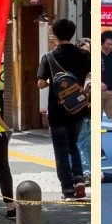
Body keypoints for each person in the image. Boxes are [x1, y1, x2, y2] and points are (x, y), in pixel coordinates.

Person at [37, 18, 92, 199]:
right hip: (79, 108)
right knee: (74, 145)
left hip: (58, 110)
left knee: (61, 150)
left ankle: (68, 188)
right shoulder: (85, 55)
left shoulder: (49, 57)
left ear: (55, 36)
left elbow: (41, 83)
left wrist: (50, 82)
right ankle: (79, 179)